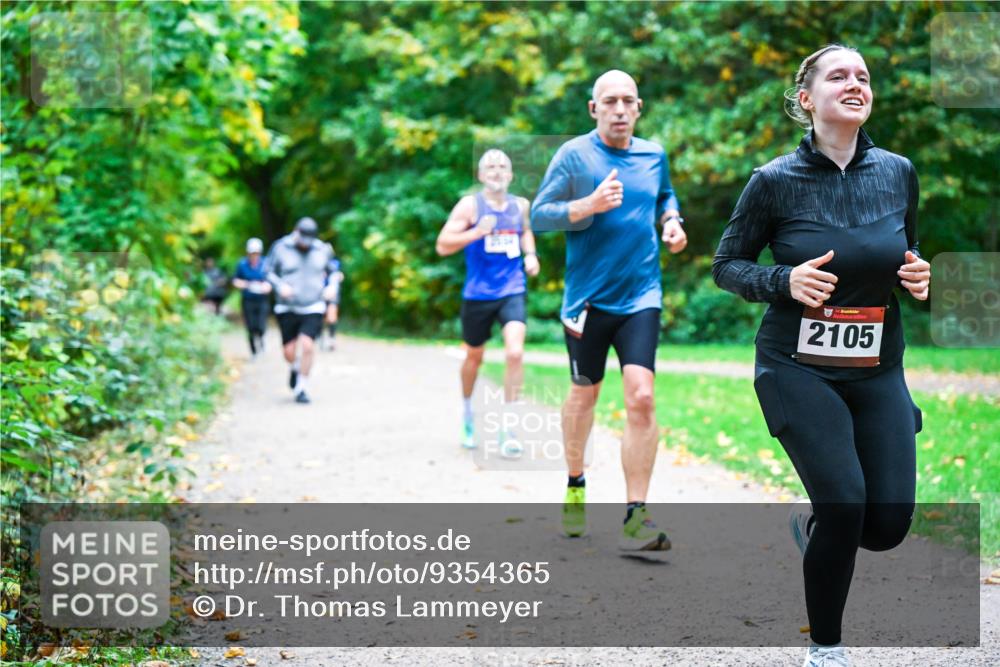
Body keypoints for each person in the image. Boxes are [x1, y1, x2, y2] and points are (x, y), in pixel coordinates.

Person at [712, 44, 930, 667]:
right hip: (796, 366)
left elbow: (907, 247)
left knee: (885, 527)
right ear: (807, 100)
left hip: (878, 366)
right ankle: (826, 651)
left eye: (863, 76)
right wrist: (784, 282)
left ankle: (820, 531)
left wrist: (916, 275)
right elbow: (726, 266)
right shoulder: (774, 181)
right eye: (839, 76)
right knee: (844, 503)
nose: (855, 83)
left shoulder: (897, 171)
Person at [531, 70, 687, 555]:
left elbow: (664, 195)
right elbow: (539, 214)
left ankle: (635, 516)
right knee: (585, 394)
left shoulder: (653, 154)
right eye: (609, 101)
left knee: (641, 397)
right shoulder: (574, 155)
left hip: (641, 294)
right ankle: (576, 482)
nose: (619, 109)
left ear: (639, 107)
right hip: (588, 301)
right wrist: (588, 204)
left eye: (628, 101)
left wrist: (672, 221)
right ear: (593, 108)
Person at [435, 149, 540, 457]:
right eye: (490, 167)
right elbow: (442, 246)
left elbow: (527, 232)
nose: (496, 171)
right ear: (481, 176)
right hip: (478, 294)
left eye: (502, 166)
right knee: (474, 359)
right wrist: (475, 232)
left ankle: (510, 428)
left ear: (510, 175)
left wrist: (531, 255)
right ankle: (468, 413)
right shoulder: (470, 206)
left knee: (515, 352)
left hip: (511, 288)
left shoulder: (520, 206)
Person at [265, 217, 335, 404]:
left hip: (313, 305)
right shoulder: (280, 247)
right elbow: (267, 271)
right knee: (289, 352)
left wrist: (331, 287)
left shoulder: (322, 249)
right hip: (287, 307)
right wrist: (280, 286)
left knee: (307, 345)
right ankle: (295, 367)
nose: (306, 245)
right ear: (296, 232)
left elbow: (334, 271)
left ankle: (301, 388)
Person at [232, 237, 272, 358]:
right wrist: (245, 284)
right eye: (252, 253)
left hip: (262, 299)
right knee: (250, 326)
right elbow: (235, 280)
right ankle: (253, 351)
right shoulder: (242, 264)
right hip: (248, 299)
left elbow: (271, 279)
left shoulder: (265, 263)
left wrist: (267, 285)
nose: (254, 255)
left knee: (261, 325)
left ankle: (261, 340)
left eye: (256, 253)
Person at [322, 255, 344, 351]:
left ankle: (331, 339)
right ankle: (319, 338)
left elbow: (340, 275)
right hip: (318, 292)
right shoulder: (315, 259)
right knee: (319, 317)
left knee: (331, 316)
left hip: (332, 293)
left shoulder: (335, 263)